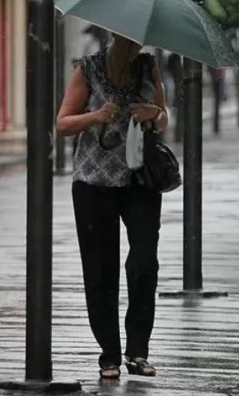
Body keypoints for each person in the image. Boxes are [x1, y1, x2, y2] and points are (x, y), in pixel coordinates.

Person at [56, 34, 169, 380]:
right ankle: (109, 355)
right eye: (127, 43)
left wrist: (154, 114)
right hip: (93, 182)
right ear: (114, 39)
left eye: (137, 43)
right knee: (100, 270)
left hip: (139, 181)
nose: (133, 49)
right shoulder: (87, 70)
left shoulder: (149, 68)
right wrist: (96, 116)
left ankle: (138, 351)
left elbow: (164, 118)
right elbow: (62, 123)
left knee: (144, 264)